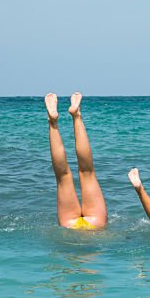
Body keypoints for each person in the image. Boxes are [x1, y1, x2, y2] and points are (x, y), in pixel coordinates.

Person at [45, 92, 108, 230]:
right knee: (69, 176)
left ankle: (59, 120)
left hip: (86, 223)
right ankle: (68, 118)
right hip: (81, 224)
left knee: (79, 173)